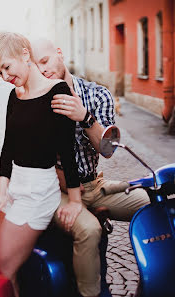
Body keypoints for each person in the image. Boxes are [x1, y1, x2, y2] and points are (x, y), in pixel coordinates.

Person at [28, 38, 149, 297]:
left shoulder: (98, 94)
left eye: (45, 61)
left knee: (153, 202)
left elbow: (107, 150)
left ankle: (158, 280)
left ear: (59, 52)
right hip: (58, 191)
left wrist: (84, 116)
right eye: (36, 67)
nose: (43, 70)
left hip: (94, 185)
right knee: (89, 230)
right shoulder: (38, 100)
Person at [0, 32, 81, 297]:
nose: (4, 77)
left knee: (1, 270)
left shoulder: (58, 91)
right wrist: (1, 193)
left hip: (39, 191)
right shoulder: (15, 96)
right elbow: (7, 148)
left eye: (6, 67)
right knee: (1, 267)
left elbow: (67, 151)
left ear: (25, 54)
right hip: (16, 189)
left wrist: (75, 201)